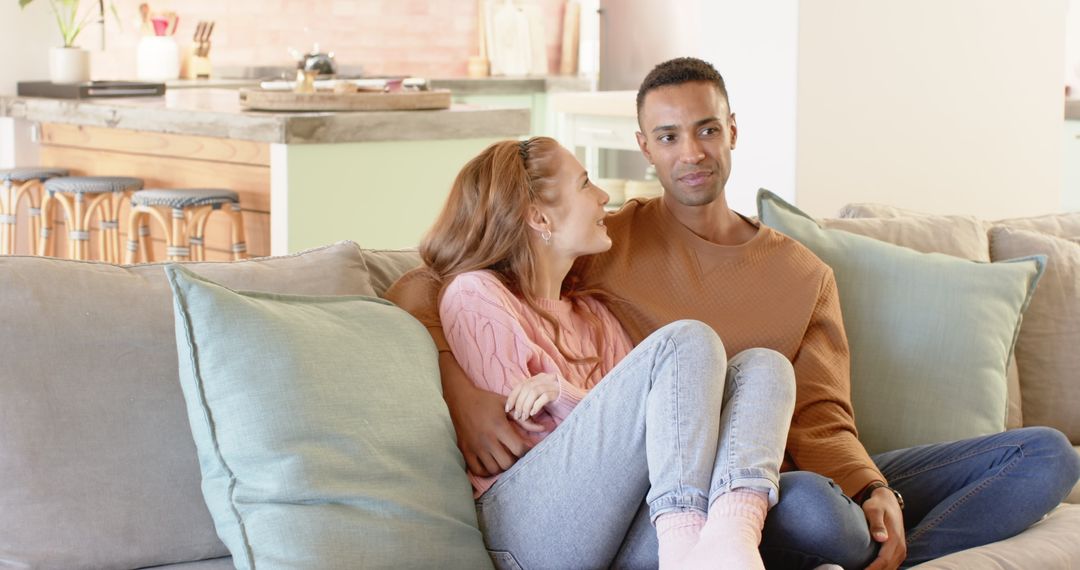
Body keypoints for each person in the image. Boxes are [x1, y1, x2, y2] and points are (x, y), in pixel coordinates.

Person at [388, 58, 1080, 569]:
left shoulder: (802, 273)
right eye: (668, 137)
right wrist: (460, 387)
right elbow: (436, 282)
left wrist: (871, 487)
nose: (691, 153)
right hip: (717, 496)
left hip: (775, 474)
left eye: (706, 130)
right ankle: (802, 537)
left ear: (732, 133)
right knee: (814, 509)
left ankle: (876, 544)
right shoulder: (605, 242)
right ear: (645, 148)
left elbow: (820, 418)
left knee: (1045, 454)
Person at [414, 135, 796, 569]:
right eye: (584, 184)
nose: (602, 196)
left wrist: (562, 395)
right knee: (687, 341)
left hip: (612, 525)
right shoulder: (476, 295)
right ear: (539, 216)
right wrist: (570, 397)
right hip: (525, 526)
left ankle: (728, 540)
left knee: (764, 367)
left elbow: (652, 440)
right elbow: (523, 444)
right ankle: (687, 544)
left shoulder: (595, 315)